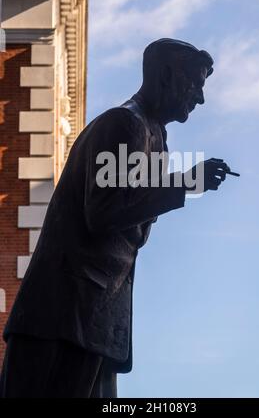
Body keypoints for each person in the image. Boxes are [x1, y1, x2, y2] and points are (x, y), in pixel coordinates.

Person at [0, 38, 231, 398]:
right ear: (167, 76)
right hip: (62, 318)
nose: (200, 98)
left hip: (96, 321)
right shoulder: (123, 124)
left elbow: (132, 227)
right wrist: (186, 183)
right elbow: (104, 212)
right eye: (195, 84)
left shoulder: (155, 138)